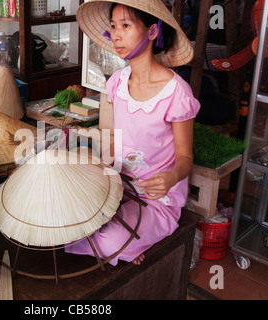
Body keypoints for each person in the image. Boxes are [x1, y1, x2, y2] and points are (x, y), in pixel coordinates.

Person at [65, 0, 200, 266]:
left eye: (126, 25)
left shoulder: (177, 93)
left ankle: (129, 242)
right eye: (113, 26)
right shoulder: (116, 83)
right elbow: (120, 140)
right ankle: (125, 244)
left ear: (152, 31)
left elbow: (185, 158)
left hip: (156, 198)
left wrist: (172, 176)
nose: (116, 34)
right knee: (66, 215)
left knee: (112, 237)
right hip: (119, 187)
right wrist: (99, 170)